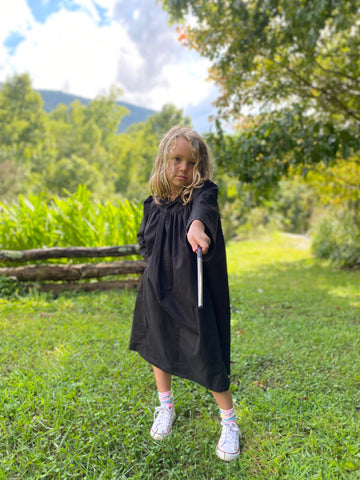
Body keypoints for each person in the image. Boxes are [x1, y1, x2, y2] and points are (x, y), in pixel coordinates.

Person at [129, 125, 240, 461]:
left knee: (207, 349)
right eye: (176, 159)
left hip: (193, 292)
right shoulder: (154, 203)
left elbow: (200, 216)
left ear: (199, 167)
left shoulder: (203, 194)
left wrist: (197, 228)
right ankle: (166, 407)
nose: (183, 168)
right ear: (164, 159)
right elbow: (144, 240)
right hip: (156, 288)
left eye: (191, 163)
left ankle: (230, 422)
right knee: (156, 344)